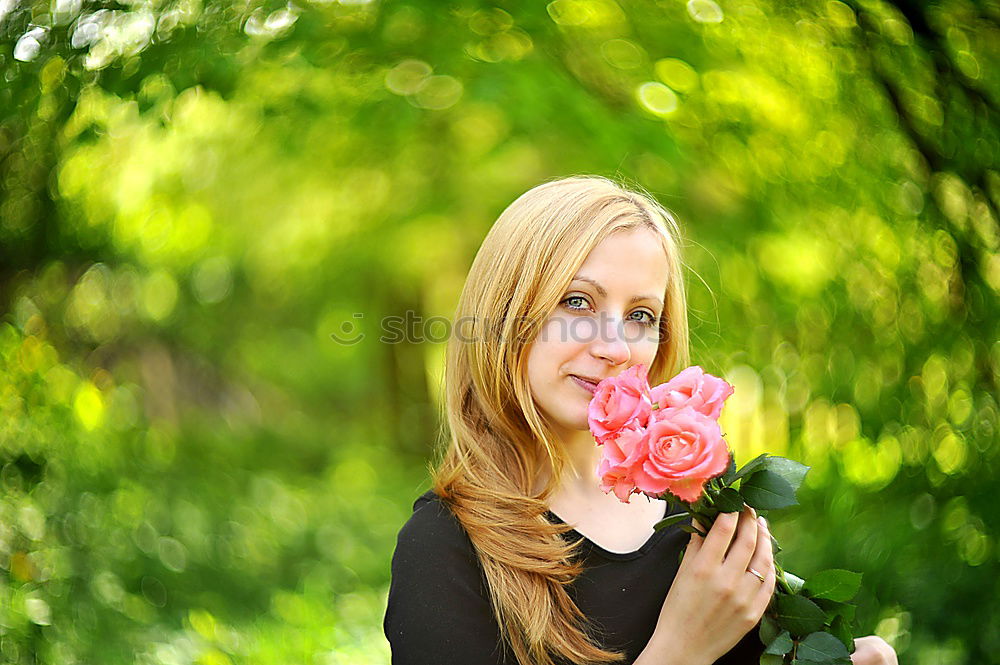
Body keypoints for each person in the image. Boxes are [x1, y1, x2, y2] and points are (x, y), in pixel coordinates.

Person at [383, 177, 897, 665]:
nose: (614, 347)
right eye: (577, 301)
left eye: (641, 316)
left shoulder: (698, 494)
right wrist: (680, 651)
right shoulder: (445, 548)